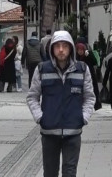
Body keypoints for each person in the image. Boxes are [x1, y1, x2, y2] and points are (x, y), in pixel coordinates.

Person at [26, 30, 96, 177]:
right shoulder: (42, 69)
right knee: (50, 172)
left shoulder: (82, 69)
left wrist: (83, 117)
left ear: (71, 48)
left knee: (70, 172)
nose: (61, 50)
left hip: (73, 131)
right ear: (52, 49)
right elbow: (32, 97)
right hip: (49, 132)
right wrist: (40, 117)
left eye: (65, 45)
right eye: (57, 46)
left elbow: (90, 97)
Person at [75, 42, 101, 111]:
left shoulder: (88, 54)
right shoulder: (76, 57)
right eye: (79, 50)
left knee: (93, 90)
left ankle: (96, 104)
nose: (80, 52)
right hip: (80, 77)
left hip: (90, 75)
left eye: (81, 50)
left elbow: (95, 62)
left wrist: (89, 55)